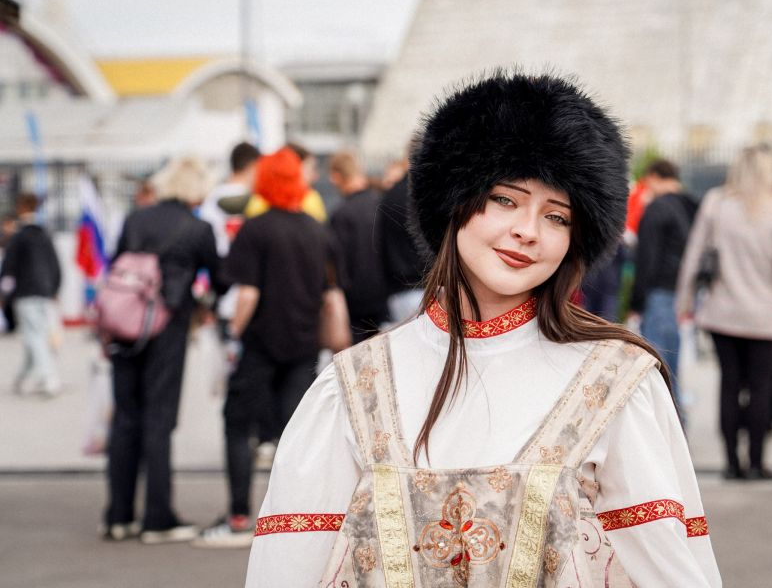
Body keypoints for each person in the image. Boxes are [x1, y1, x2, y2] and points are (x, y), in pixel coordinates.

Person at [245, 73, 721, 587]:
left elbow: (672, 569)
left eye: (558, 216)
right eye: (506, 199)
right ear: (454, 201)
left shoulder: (616, 380)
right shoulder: (356, 384)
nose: (528, 231)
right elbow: (287, 567)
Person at [194, 148, 343, 548]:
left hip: (260, 345)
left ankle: (239, 516)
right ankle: (293, 521)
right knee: (294, 434)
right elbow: (330, 291)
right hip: (303, 346)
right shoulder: (317, 230)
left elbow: (247, 294)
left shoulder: (255, 230)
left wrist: (233, 334)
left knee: (237, 427)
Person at [102, 156, 222, 544]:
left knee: (125, 417)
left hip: (123, 324)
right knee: (159, 419)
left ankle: (118, 516)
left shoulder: (136, 218)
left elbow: (117, 261)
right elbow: (219, 278)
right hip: (167, 327)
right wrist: (202, 304)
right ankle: (157, 517)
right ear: (196, 189)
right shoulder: (198, 228)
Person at [677, 146, 772, 480]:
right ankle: (758, 462)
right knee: (761, 388)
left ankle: (731, 463)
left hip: (722, 311)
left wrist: (685, 300)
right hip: (765, 315)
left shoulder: (716, 203)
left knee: (729, 384)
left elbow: (694, 254)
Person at [628, 159, 697, 395]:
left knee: (660, 368)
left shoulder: (658, 208)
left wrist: (636, 301)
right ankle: (678, 422)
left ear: (654, 177)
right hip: (684, 292)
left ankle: (670, 425)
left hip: (658, 292)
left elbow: (648, 257)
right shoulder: (692, 206)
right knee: (675, 368)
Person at [0, 193, 62, 396]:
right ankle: (22, 378)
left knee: (34, 336)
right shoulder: (45, 234)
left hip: (26, 293)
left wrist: (3, 295)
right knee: (35, 335)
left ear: (21, 207)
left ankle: (48, 378)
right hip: (44, 292)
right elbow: (55, 264)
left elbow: (9, 270)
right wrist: (54, 288)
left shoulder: (19, 237)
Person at [328, 149, 390, 343]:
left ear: (338, 177)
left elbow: (338, 261)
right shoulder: (381, 202)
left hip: (354, 299)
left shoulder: (341, 213)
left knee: (359, 363)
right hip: (386, 292)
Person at [376, 144, 430, 323]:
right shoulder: (428, 194)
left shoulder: (390, 195)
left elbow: (380, 248)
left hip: (400, 290)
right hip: (427, 287)